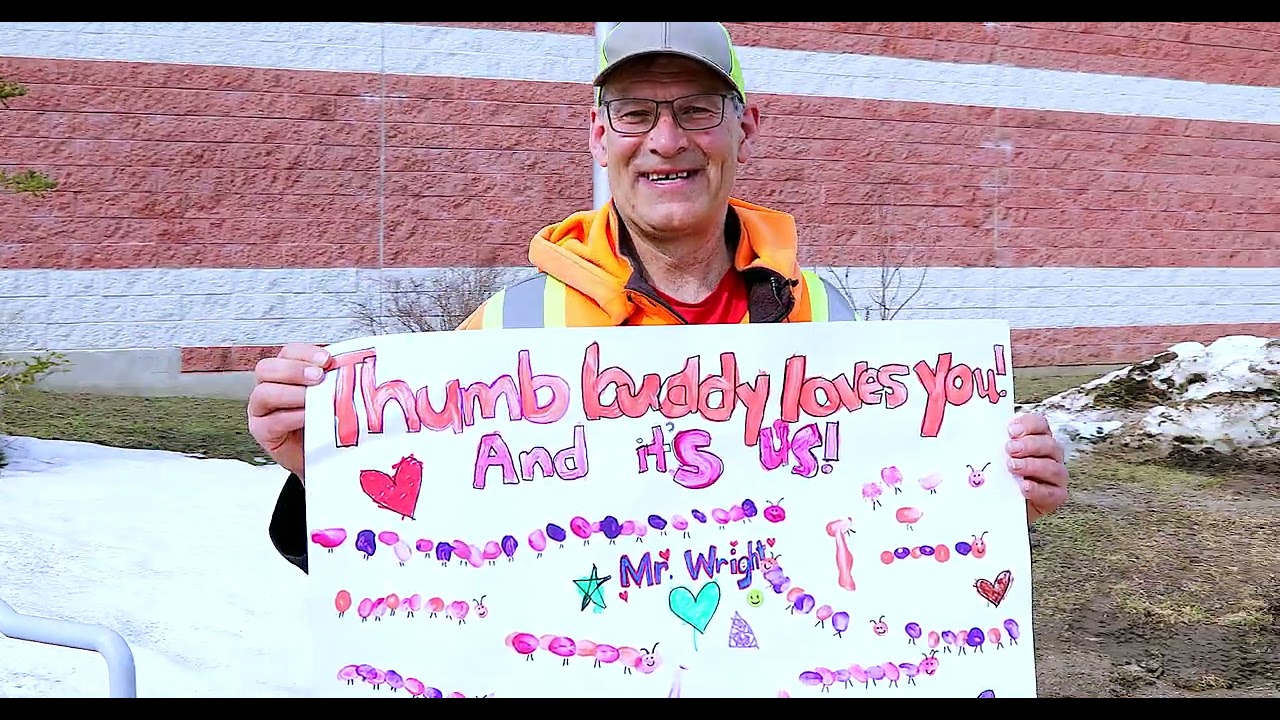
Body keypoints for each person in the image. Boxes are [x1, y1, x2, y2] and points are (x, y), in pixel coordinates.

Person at [248, 22, 1070, 575]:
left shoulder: (837, 320)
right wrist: (318, 470)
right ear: (599, 134)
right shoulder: (503, 330)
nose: (666, 140)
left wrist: (995, 499)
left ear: (745, 128)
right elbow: (392, 553)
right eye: (635, 111)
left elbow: (895, 533)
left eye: (696, 109)